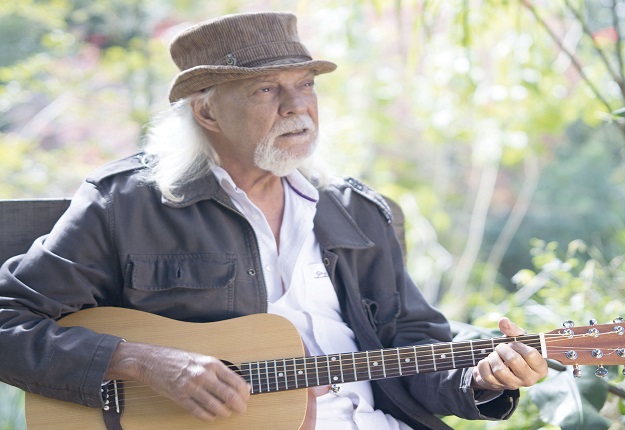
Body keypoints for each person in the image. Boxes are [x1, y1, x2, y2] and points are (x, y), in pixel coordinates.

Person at [0, 11, 547, 430]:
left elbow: (415, 343)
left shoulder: (355, 211)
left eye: (305, 84)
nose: (297, 107)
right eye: (267, 89)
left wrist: (478, 378)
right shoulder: (127, 205)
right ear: (207, 111)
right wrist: (139, 361)